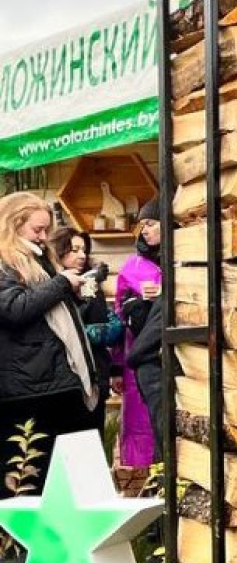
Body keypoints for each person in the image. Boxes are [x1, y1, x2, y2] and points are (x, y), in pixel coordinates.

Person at [0, 193, 100, 486]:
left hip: (50, 381)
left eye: (46, 230)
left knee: (57, 480)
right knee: (29, 478)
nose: (44, 237)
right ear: (13, 224)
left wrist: (70, 293)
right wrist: (61, 284)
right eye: (37, 230)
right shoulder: (5, 261)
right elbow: (13, 309)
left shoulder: (35, 257)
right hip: (28, 388)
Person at [49, 227, 122, 427]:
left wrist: (115, 369)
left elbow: (107, 324)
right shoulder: (50, 286)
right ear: (58, 251)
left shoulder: (91, 283)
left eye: (84, 250)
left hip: (97, 373)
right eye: (74, 250)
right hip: (67, 379)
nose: (82, 255)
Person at [115, 200, 162, 469]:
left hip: (178, 357)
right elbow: (122, 314)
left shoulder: (183, 259)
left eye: (151, 224)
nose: (144, 230)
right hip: (141, 355)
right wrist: (139, 303)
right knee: (144, 422)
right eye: (142, 225)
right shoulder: (133, 266)